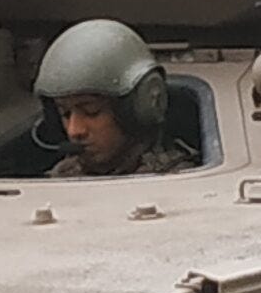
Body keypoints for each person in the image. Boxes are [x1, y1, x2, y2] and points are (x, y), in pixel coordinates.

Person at [38, 20, 194, 177]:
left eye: (91, 112)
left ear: (136, 109)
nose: (74, 131)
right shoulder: (64, 175)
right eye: (65, 114)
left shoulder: (179, 180)